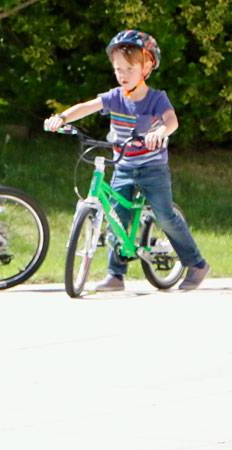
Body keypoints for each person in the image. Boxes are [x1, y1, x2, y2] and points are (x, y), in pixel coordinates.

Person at [44, 29, 209, 291]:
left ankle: (197, 264)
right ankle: (116, 275)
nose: (122, 75)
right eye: (118, 69)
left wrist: (159, 132)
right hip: (123, 166)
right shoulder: (115, 96)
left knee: (165, 216)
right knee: (116, 216)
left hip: (152, 168)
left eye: (129, 69)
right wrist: (62, 118)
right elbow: (87, 106)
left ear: (147, 67)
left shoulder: (156, 98)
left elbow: (171, 121)